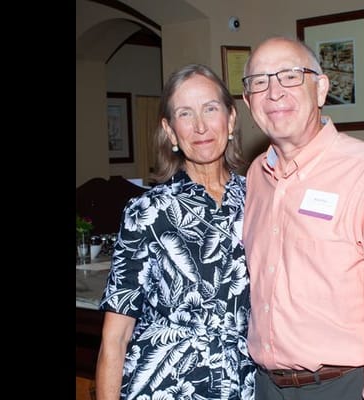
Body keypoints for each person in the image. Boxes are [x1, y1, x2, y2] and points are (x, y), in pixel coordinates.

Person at [239, 36, 364, 400]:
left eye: (290, 76)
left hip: (342, 386)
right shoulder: (256, 177)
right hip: (265, 386)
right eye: (259, 82)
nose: (274, 92)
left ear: (321, 89)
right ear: (249, 102)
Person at [96, 64, 255, 400]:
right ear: (170, 132)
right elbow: (115, 338)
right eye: (185, 114)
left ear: (230, 119)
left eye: (210, 109)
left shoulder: (261, 198)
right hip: (163, 385)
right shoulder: (146, 212)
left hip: (244, 385)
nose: (200, 126)